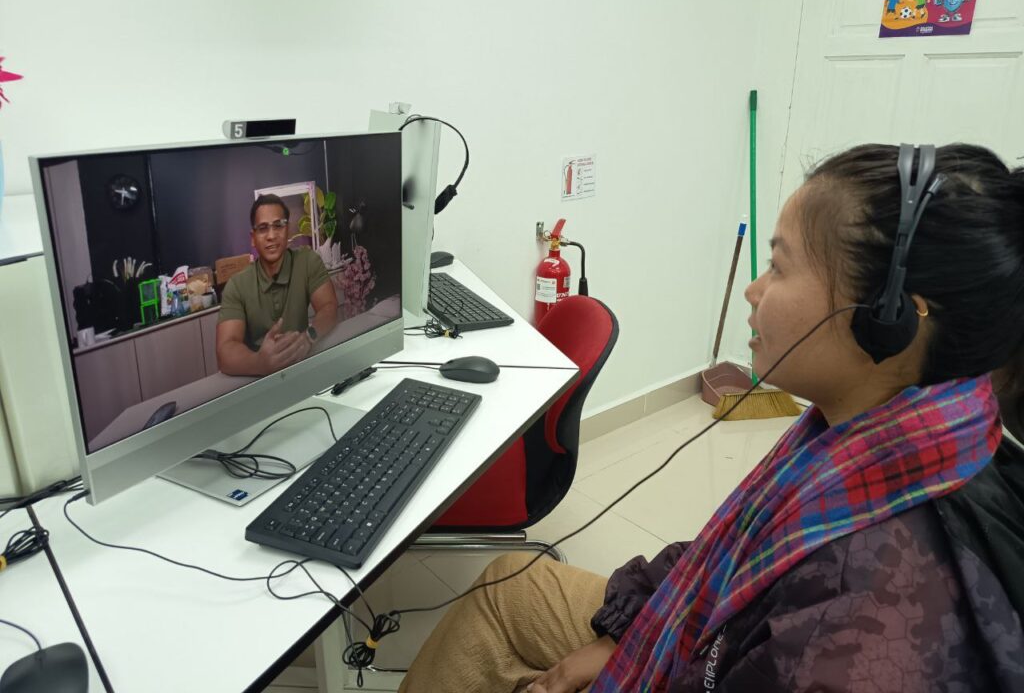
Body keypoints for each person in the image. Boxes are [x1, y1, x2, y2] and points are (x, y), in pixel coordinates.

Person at [397, 144, 1024, 692]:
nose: (754, 289)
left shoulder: (850, 627)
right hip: (713, 644)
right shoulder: (881, 438)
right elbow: (722, 557)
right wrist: (620, 634)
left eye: (780, 266)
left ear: (890, 320)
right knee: (511, 583)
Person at [216, 193, 338, 376]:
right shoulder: (237, 285)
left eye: (278, 225)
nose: (271, 236)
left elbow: (329, 306)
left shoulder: (307, 261)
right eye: (263, 228)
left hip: (302, 364)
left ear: (287, 229)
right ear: (253, 238)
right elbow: (225, 349)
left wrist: (309, 337)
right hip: (258, 377)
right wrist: (260, 363)